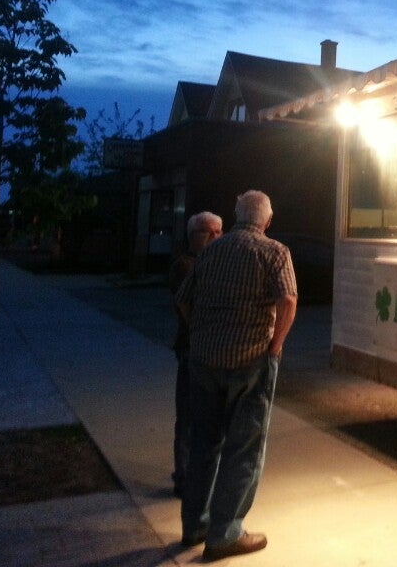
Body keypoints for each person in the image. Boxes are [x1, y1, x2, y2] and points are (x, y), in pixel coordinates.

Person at [175, 190, 297, 561]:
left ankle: (195, 524)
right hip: (251, 363)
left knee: (203, 444)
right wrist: (275, 346)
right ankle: (225, 533)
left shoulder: (211, 250)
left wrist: (199, 333)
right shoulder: (274, 252)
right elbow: (288, 299)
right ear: (267, 221)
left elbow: (183, 298)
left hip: (204, 362)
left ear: (236, 215)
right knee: (244, 449)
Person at [167, 210, 223, 497]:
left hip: (213, 352)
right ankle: (184, 477)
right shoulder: (186, 266)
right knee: (188, 415)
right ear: (193, 236)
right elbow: (188, 305)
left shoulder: (215, 263)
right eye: (208, 232)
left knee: (209, 418)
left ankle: (198, 474)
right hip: (192, 349)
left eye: (218, 232)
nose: (215, 237)